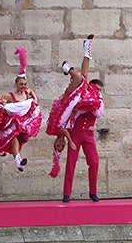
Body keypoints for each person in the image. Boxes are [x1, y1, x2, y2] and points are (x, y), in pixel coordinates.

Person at [47, 36, 103, 202]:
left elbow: (98, 112)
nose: (60, 144)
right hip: (76, 131)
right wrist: (70, 141)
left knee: (94, 162)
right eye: (60, 146)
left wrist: (94, 126)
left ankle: (85, 49)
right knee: (71, 163)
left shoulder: (56, 130)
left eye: (58, 144)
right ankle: (67, 194)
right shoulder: (61, 132)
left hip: (85, 132)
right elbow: (66, 128)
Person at [0, 48, 42, 172]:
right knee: (13, 140)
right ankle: (18, 161)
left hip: (22, 123)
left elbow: (34, 97)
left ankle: (0, 151)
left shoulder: (27, 92)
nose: (23, 86)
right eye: (21, 84)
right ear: (16, 84)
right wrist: (0, 103)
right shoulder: (10, 96)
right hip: (11, 123)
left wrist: (34, 99)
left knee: (16, 141)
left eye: (25, 84)